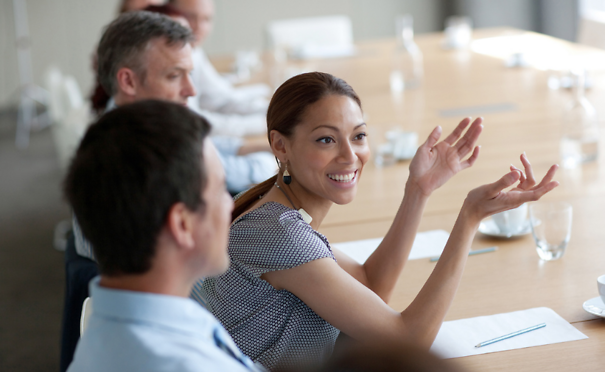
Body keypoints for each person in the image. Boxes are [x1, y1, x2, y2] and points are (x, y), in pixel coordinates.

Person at [201, 72, 560, 370]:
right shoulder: (280, 235)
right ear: (280, 145)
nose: (350, 155)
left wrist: (417, 190)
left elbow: (369, 285)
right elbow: (407, 341)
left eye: (358, 136)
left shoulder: (270, 211)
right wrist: (469, 218)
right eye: (326, 139)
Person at [64, 100, 264, 371]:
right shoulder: (185, 364)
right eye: (221, 190)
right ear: (182, 225)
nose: (231, 204)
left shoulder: (118, 323)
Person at [170, 0, 270, 136]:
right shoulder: (168, 61)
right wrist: (262, 124)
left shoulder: (195, 51)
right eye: (190, 17)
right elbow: (194, 122)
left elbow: (220, 99)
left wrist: (275, 110)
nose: (199, 27)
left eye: (206, 19)